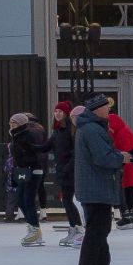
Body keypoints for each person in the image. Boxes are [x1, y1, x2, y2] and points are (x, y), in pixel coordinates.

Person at [73, 94, 126, 265]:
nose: (109, 110)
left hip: (96, 187)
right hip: (95, 188)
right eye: (106, 107)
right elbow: (103, 157)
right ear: (96, 110)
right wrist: (121, 158)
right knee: (96, 232)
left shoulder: (92, 127)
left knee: (100, 231)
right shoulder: (92, 129)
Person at [7, 111, 51, 247]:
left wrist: (28, 160)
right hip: (23, 170)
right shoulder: (16, 135)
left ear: (20, 123)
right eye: (10, 122)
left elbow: (37, 151)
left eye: (14, 122)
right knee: (21, 199)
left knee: (28, 199)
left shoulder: (28, 134)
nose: (11, 125)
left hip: (33, 169)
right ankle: (33, 228)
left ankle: (35, 230)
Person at [105, 98, 133, 228]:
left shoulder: (120, 134)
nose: (109, 130)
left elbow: (120, 150)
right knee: (132, 191)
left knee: (126, 191)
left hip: (128, 165)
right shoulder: (125, 131)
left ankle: (128, 215)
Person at [49, 101, 84, 247]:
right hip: (63, 170)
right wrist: (29, 147)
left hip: (70, 171)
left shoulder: (71, 130)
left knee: (69, 200)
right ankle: (74, 228)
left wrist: (67, 168)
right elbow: (47, 146)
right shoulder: (57, 130)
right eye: (56, 111)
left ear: (66, 114)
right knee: (67, 200)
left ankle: (78, 229)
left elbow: (75, 152)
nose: (57, 114)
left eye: (60, 111)